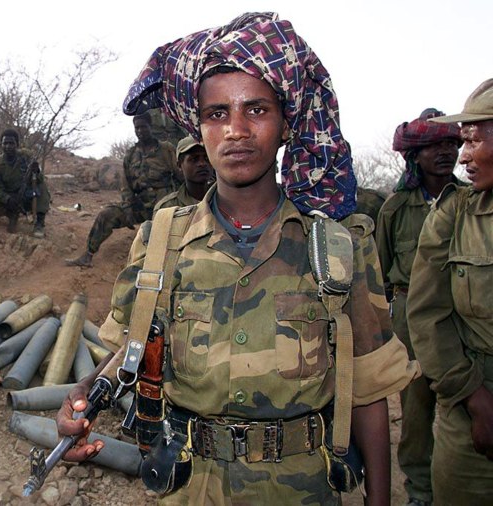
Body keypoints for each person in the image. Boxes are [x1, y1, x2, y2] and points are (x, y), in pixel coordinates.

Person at [56, 12, 417, 505]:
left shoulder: (337, 246)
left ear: (286, 123)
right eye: (217, 114)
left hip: (301, 489)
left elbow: (370, 389)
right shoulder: (160, 240)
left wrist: (380, 500)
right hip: (191, 488)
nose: (237, 130)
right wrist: (79, 395)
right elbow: (130, 352)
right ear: (199, 127)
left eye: (257, 110)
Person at [407, 79, 493, 506]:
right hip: (474, 400)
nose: (463, 156)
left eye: (475, 140)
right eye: (464, 141)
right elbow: (426, 313)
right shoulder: (453, 215)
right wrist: (473, 400)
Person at [375, 108, 462, 506]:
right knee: (415, 410)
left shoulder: (470, 202)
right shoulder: (395, 207)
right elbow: (382, 265)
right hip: (410, 315)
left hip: (464, 315)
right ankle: (419, 492)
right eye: (434, 146)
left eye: (451, 144)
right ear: (416, 154)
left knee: (464, 405)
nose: (445, 153)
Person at [65, 113, 178, 267]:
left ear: (151, 127)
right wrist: (128, 207)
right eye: (136, 128)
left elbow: (180, 176)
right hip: (140, 204)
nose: (140, 131)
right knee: (107, 214)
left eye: (143, 127)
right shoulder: (131, 154)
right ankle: (88, 255)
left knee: (161, 232)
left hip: (164, 203)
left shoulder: (166, 149)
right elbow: (126, 185)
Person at [0, 128, 50, 238]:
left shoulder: (26, 157)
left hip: (26, 195)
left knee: (42, 187)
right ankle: (11, 214)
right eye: (5, 143)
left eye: (11, 143)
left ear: (17, 144)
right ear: (1, 145)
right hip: (8, 198)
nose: (8, 146)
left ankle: (39, 223)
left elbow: (39, 179)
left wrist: (36, 171)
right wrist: (7, 199)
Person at [153, 136, 214, 212]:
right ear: (179, 165)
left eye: (207, 158)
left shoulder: (227, 199)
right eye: (194, 159)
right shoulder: (168, 208)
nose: (202, 164)